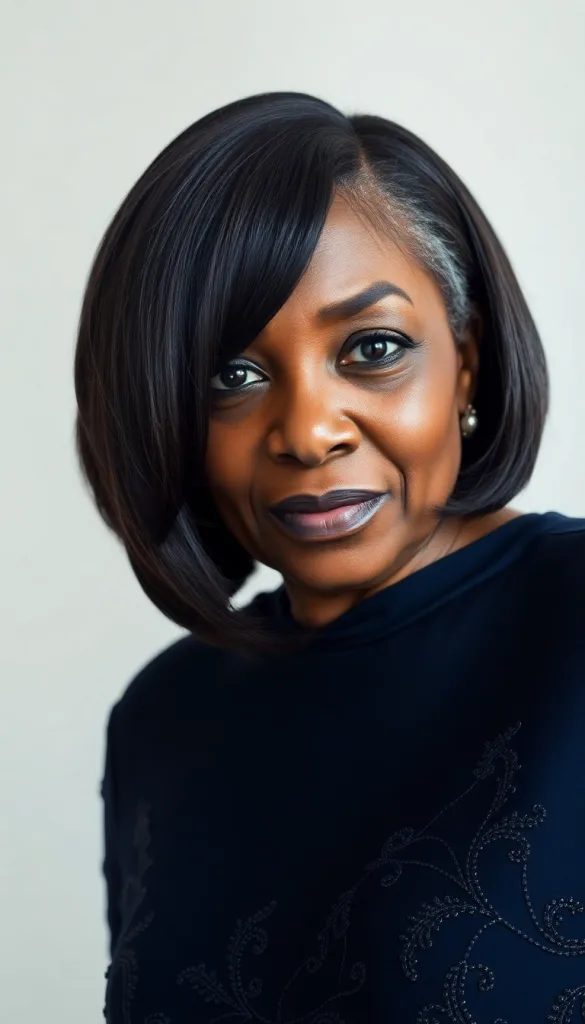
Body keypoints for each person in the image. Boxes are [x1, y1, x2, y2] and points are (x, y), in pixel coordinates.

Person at [74, 92, 585, 1023]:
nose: (307, 434)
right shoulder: (164, 718)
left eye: (373, 349)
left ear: (464, 363)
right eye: (233, 377)